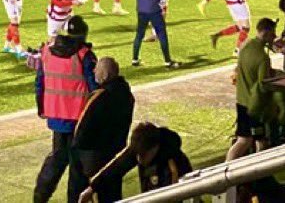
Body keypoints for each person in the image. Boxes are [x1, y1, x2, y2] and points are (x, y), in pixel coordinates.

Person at [34, 15, 98, 203]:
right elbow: (95, 87)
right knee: (77, 166)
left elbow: (40, 82)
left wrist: (42, 108)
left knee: (57, 159)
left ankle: (40, 196)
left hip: (56, 116)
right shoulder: (83, 55)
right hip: (79, 118)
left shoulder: (47, 51)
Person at [70, 57, 135, 203]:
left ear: (104, 75)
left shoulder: (99, 97)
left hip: (95, 157)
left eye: (97, 69)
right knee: (113, 193)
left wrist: (77, 149)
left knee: (97, 194)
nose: (94, 71)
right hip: (116, 153)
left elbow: (81, 130)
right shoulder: (127, 95)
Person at [78, 123, 192, 202]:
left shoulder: (172, 165)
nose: (139, 160)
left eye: (142, 155)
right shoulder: (140, 146)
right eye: (136, 154)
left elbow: (173, 197)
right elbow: (116, 167)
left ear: (155, 148)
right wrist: (92, 188)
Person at [228, 17, 278, 161]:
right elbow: (264, 84)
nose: (274, 37)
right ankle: (259, 173)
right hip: (255, 106)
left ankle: (226, 167)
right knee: (261, 141)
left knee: (243, 140)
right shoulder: (263, 58)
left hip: (241, 101)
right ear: (267, 33)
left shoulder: (245, 46)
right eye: (273, 34)